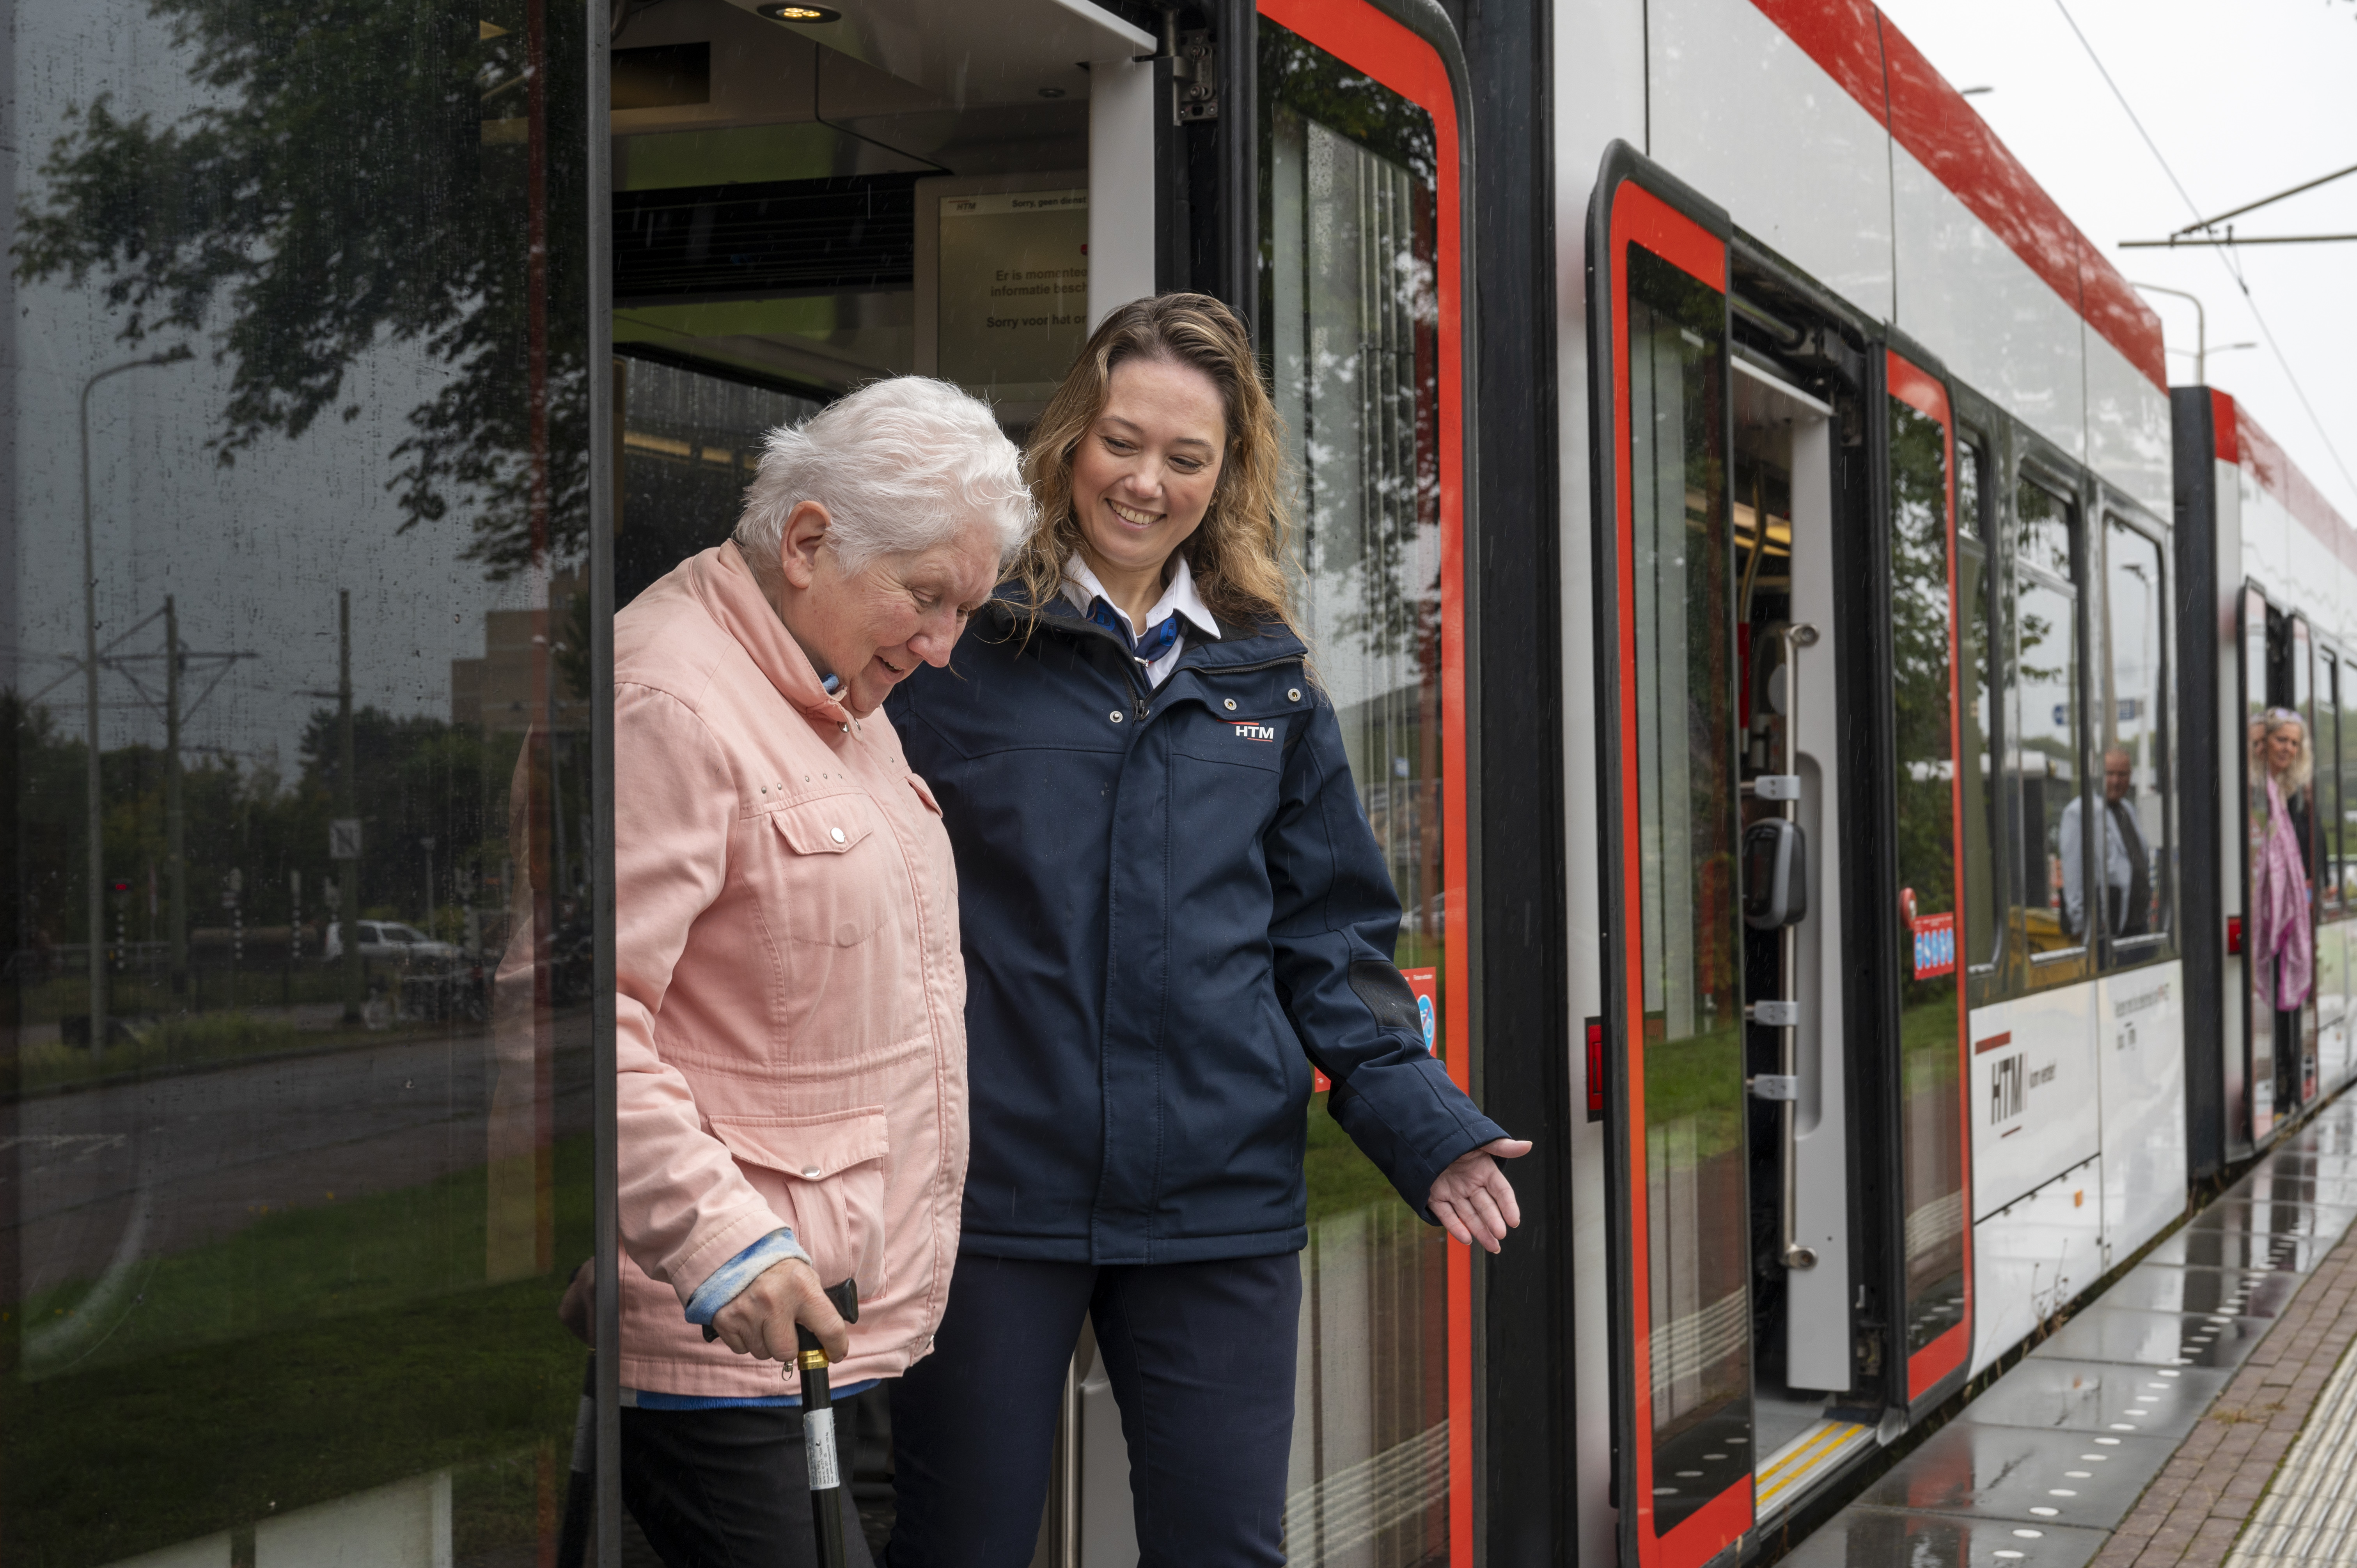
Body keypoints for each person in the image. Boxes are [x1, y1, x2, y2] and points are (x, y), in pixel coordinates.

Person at [882, 293, 1529, 1566]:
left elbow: (1329, 942)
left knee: (1225, 1551)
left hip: (1215, 1203)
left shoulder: (1262, 675)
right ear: (1070, 437)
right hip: (993, 1196)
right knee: (958, 1550)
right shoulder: (958, 651)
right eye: (1123, 441)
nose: (1146, 482)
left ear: (1224, 478)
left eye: (1187, 457)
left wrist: (1423, 1129)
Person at [608, 377, 1030, 1566]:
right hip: (728, 1346)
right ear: (806, 541)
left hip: (845, 1330)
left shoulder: (837, 693)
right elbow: (582, 1020)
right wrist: (718, 1247)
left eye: (966, 607)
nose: (944, 647)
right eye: (929, 598)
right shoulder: (668, 699)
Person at [2252, 707, 2316, 1113]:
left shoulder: (2279, 790)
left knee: (2280, 997)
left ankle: (2284, 1081)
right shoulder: (2256, 788)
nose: (2288, 749)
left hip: (2282, 911)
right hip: (2265, 908)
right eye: (2281, 740)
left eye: (2294, 743)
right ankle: (2278, 1083)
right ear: (2264, 742)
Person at [2059, 746, 2153, 940]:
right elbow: (2073, 876)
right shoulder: (2079, 812)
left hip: (2139, 927)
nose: (2116, 781)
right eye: (2110, 774)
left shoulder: (2128, 809)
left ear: (2130, 776)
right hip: (2107, 935)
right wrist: (2084, 928)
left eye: (2122, 775)